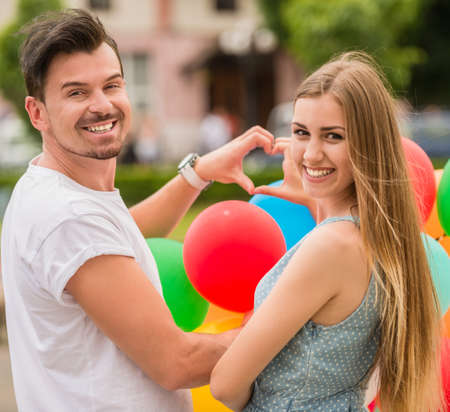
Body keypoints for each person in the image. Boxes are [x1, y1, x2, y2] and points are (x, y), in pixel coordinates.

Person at [0, 9, 274, 411]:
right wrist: (289, 321)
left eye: (111, 85)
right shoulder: (68, 217)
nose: (102, 105)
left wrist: (197, 174)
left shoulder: (48, 188)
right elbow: (177, 362)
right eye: (76, 92)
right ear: (37, 112)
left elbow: (120, 234)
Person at [210, 52, 444, 412]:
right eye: (301, 133)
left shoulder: (332, 246)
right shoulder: (379, 234)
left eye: (333, 136)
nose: (311, 153)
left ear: (368, 146)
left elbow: (225, 383)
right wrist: (314, 201)